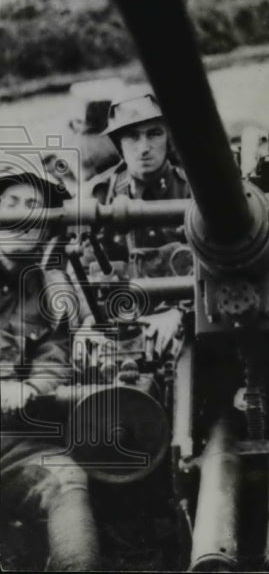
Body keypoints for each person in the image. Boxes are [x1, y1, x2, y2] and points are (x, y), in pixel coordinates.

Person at [0, 163, 100, 570]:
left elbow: (54, 358)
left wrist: (30, 388)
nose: (21, 215)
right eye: (11, 203)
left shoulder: (49, 293)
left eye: (32, 207)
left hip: (13, 441)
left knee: (66, 482)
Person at [85, 91, 191, 276]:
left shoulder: (193, 189)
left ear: (168, 138)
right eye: (132, 136)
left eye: (154, 134)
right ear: (119, 143)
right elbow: (88, 267)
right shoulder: (101, 195)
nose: (143, 148)